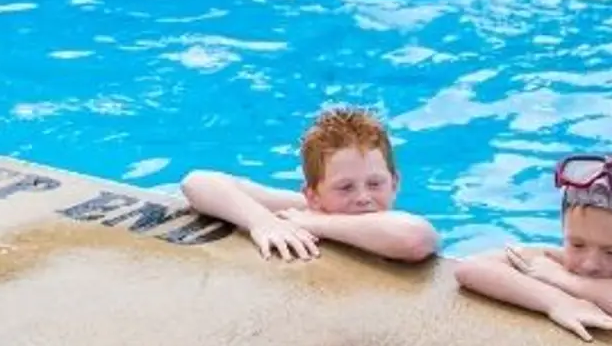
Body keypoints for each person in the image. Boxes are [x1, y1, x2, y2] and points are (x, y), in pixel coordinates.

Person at [453, 153, 612, 342]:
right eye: (577, 244)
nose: (590, 264)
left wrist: (559, 278)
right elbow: (471, 268)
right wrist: (557, 303)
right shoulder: (554, 258)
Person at [178, 107, 439, 264]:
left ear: (394, 183)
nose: (363, 197)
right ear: (313, 195)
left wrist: (316, 224)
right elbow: (196, 182)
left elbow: (415, 239)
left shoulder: (311, 216)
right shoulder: (304, 207)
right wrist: (263, 222)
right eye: (345, 187)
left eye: (375, 183)